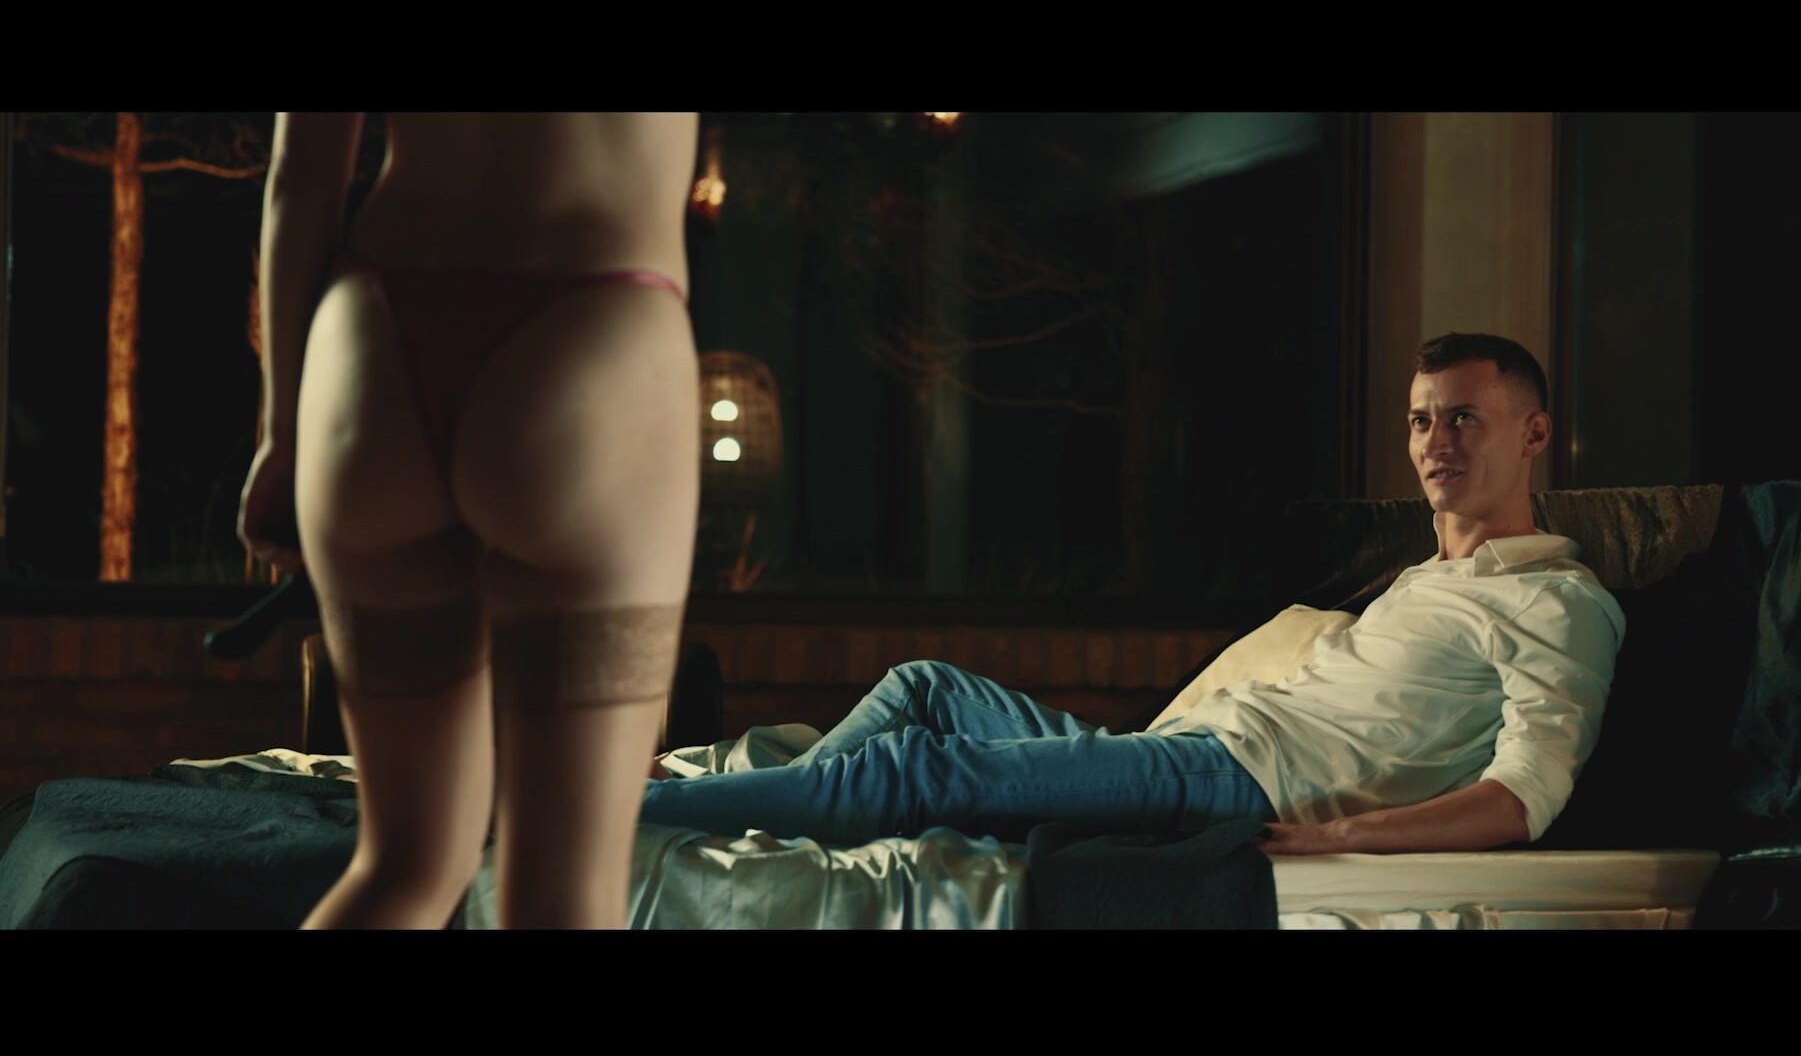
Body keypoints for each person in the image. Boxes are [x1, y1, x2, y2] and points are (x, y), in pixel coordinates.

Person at [641, 333, 1625, 855]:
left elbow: (1520, 798)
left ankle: (636, 815)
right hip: (1192, 743)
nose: (1436, 443)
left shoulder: (1557, 600)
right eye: (1420, 421)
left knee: (916, 768)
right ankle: (779, 821)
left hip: (1239, 784)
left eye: (1464, 418)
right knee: (925, 685)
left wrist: (1339, 835)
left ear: (1535, 434)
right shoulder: (1424, 580)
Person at [237, 112, 701, 928]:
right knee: (566, 889)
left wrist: (282, 435)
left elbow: (299, 181)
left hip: (373, 347)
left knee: (402, 867)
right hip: (594, 321)